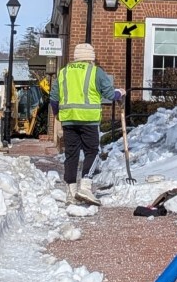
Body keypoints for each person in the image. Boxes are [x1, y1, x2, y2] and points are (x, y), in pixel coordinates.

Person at [49, 42, 123, 205]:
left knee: (71, 154)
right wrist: (120, 92)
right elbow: (110, 94)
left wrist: (57, 114)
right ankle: (86, 186)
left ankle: (71, 192)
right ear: (91, 58)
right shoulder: (95, 72)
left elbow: (54, 98)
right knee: (92, 152)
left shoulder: (63, 73)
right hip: (88, 119)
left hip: (68, 119)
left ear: (75, 58)